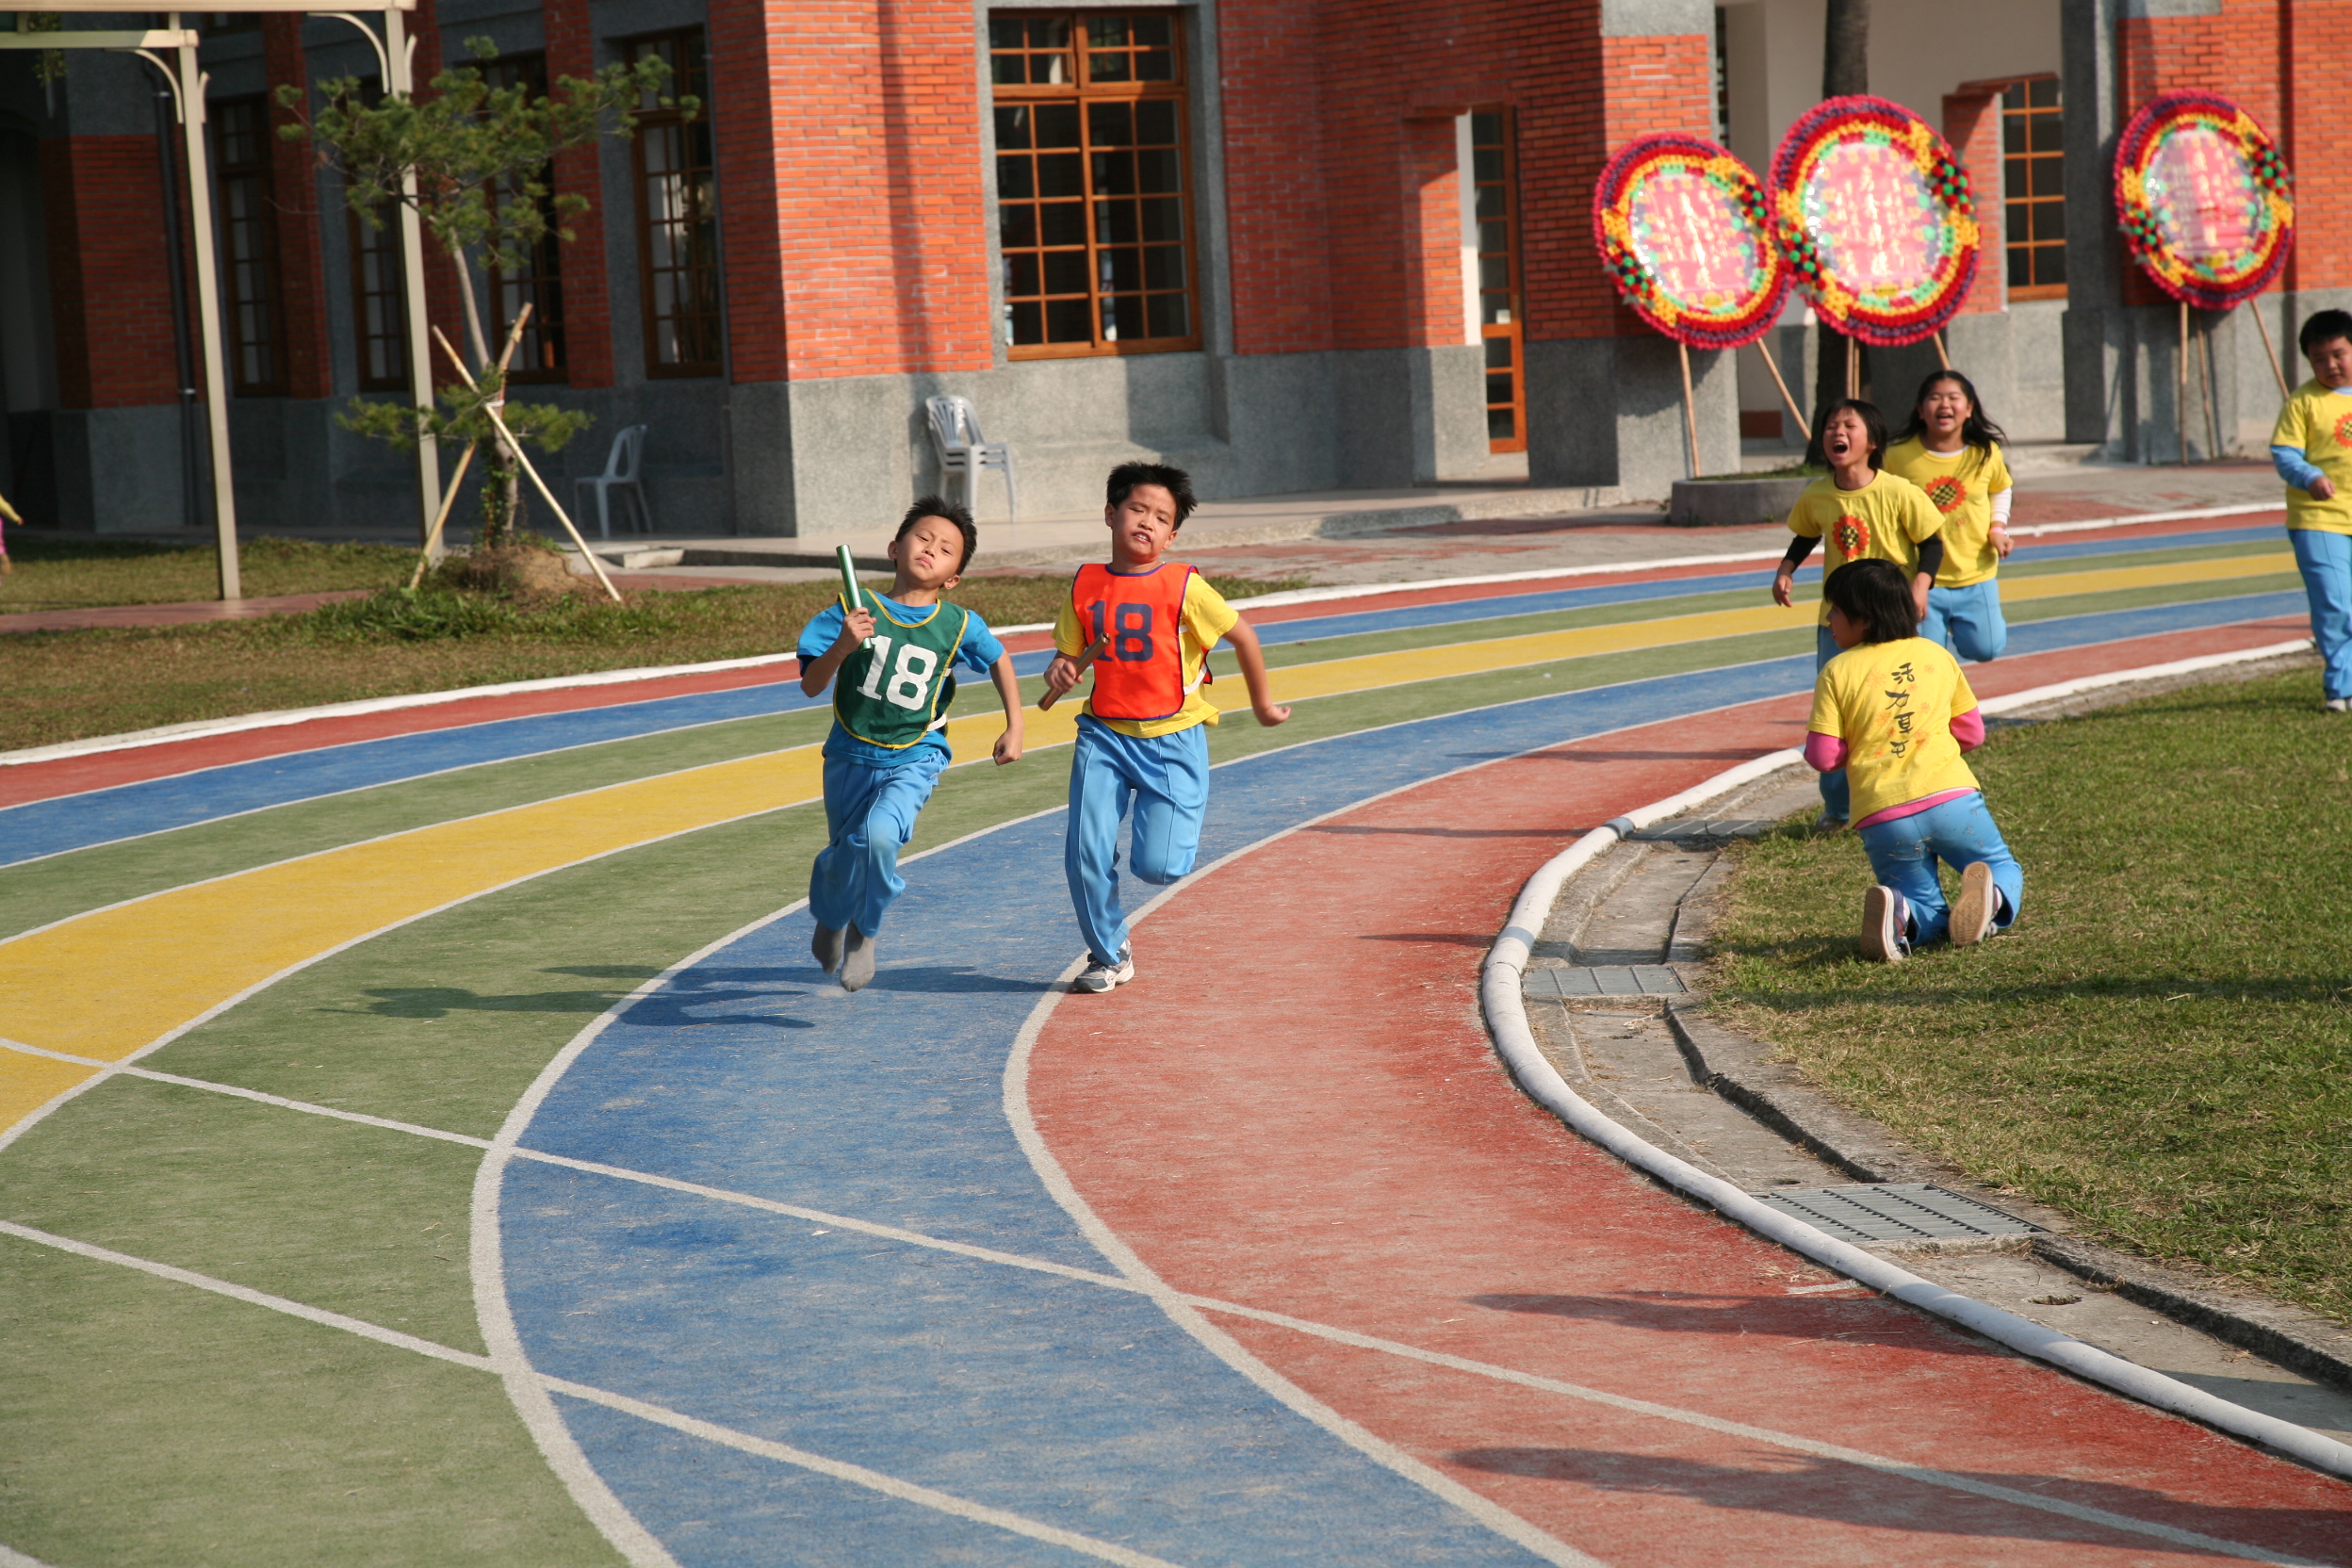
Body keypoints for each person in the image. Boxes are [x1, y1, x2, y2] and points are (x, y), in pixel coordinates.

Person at [1044, 462, 1290, 994]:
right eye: (1137, 509)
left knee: (1160, 868)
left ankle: (1161, 845)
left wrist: (1263, 705)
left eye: (1161, 518)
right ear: (1110, 514)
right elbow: (1066, 656)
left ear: (1172, 536)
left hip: (1172, 738)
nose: (1147, 522)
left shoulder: (1186, 587)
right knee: (1084, 851)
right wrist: (1060, 669)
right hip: (1103, 735)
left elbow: (1244, 637)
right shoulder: (1085, 584)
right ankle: (1109, 952)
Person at [795, 496, 1025, 991]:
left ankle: (865, 929)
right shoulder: (853, 610)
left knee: (879, 837)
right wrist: (842, 646)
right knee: (844, 853)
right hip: (850, 754)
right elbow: (811, 685)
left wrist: (1016, 724)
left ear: (953, 577)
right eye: (923, 538)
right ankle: (832, 916)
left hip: (916, 753)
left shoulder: (958, 624)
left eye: (945, 549)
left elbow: (999, 658)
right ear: (894, 548)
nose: (930, 549)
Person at [1805, 558, 2022, 964]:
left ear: (1863, 618)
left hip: (1882, 813)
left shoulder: (1836, 671)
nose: (1828, 618)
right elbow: (1972, 734)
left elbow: (1823, 756)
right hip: (1952, 800)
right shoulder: (1935, 654)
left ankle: (1903, 915)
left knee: (1920, 899)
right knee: (1999, 865)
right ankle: (1992, 896)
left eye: (1835, 609)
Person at [1771, 399, 1947, 826]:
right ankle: (1839, 809)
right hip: (1839, 623)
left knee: (1900, 706)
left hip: (1891, 621)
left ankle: (1912, 793)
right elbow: (1805, 536)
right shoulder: (1817, 494)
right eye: (1831, 426)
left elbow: (1932, 542)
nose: (1838, 432)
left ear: (1872, 442)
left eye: (1849, 425)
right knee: (1836, 712)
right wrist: (1786, 570)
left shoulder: (1899, 492)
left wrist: (1920, 585)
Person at [1886, 369, 2015, 662]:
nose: (1944, 404)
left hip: (1976, 572)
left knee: (1986, 648)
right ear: (1921, 410)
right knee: (1927, 660)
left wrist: (1998, 529)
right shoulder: (1898, 457)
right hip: (1921, 579)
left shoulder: (1985, 452)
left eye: (1953, 398)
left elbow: (2001, 489)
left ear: (1969, 408)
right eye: (1935, 398)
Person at [2269, 308, 2352, 712]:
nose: (2330, 365)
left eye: (2338, 354)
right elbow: (2285, 453)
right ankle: (2341, 688)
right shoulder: (2303, 402)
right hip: (2320, 519)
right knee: (2336, 601)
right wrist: (2309, 476)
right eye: (2319, 359)